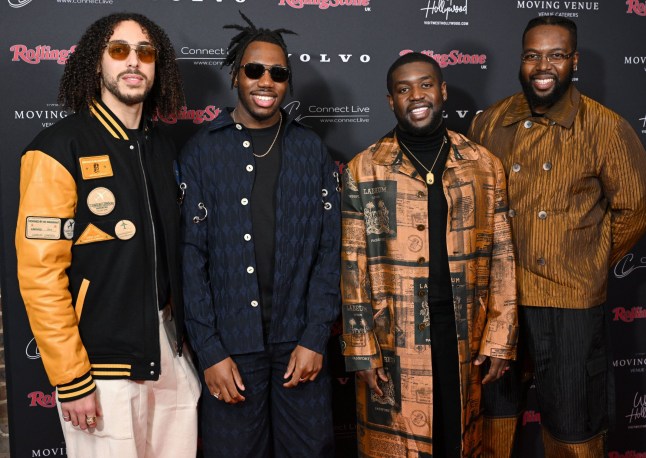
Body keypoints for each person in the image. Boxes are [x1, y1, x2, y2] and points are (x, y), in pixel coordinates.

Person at [15, 12, 200, 458]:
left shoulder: (160, 147)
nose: (133, 62)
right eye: (119, 50)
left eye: (145, 52)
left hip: (169, 353)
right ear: (97, 63)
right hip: (100, 369)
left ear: (159, 67)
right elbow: (41, 277)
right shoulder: (57, 148)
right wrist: (72, 380)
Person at [468, 16, 646, 456]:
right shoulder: (490, 122)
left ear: (574, 61)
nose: (542, 66)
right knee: (492, 417)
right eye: (532, 55)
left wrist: (585, 259)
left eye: (556, 55)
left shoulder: (605, 127)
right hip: (499, 302)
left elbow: (635, 210)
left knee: (574, 426)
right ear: (521, 60)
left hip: (570, 303)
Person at [340, 52, 518, 457]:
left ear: (442, 91)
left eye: (424, 84)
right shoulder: (364, 169)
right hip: (393, 338)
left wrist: (501, 337)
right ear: (390, 101)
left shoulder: (483, 166)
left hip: (463, 335)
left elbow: (503, 259)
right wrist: (360, 347)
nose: (415, 95)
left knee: (457, 440)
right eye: (403, 89)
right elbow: (353, 270)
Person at [179, 12, 340, 457]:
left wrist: (314, 336)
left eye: (278, 72)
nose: (265, 80)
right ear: (235, 76)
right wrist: (209, 350)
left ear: (287, 82)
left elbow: (331, 251)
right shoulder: (202, 152)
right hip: (231, 348)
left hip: (299, 346)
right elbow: (191, 260)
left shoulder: (310, 150)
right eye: (254, 70)